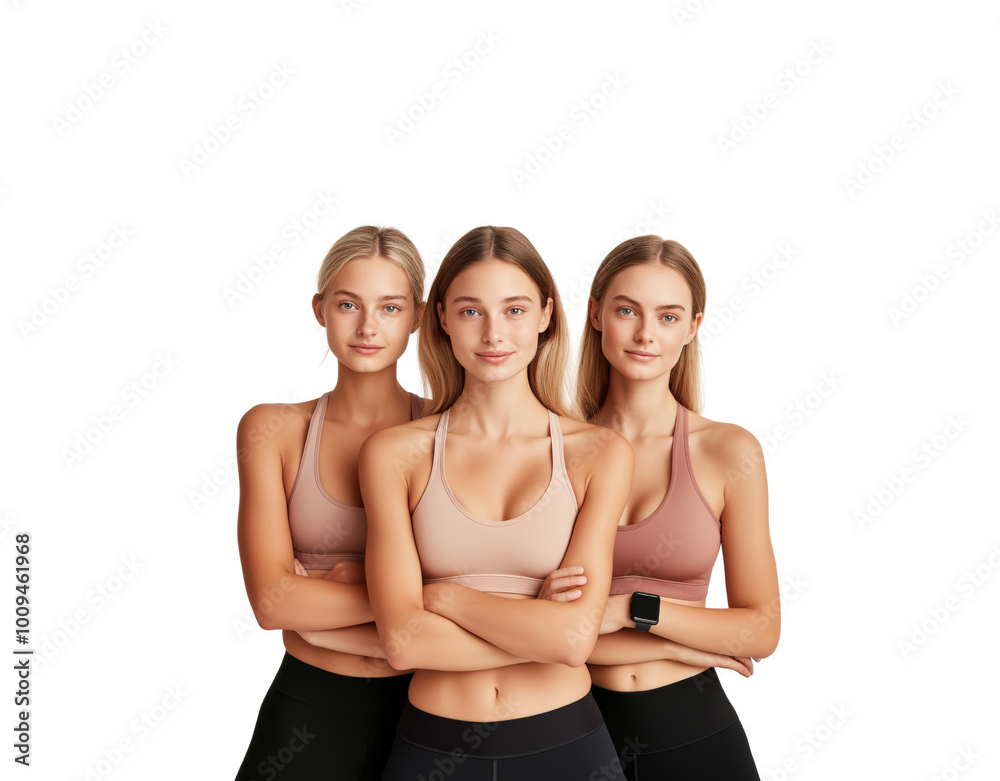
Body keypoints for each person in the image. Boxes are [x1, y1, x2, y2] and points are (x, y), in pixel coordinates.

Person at [359, 225, 633, 779]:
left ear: (545, 315)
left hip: (568, 745)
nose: (493, 334)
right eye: (470, 311)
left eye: (513, 309)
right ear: (440, 317)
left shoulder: (598, 453)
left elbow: (575, 639)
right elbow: (404, 643)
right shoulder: (394, 454)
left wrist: (447, 599)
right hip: (432, 748)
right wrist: (541, 627)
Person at [579, 236, 779, 780]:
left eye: (668, 316)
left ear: (692, 327)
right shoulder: (555, 449)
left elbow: (760, 629)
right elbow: (532, 627)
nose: (646, 334)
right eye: (627, 311)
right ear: (596, 314)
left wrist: (635, 611)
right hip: (573, 731)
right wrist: (688, 648)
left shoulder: (727, 451)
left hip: (694, 730)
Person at [234, 226, 425, 780]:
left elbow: (478, 591)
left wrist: (323, 602)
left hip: (428, 710)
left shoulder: (447, 430)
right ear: (320, 309)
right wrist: (412, 600)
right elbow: (272, 602)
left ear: (418, 315)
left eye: (390, 307)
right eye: (348, 304)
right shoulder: (272, 429)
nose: (368, 326)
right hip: (308, 709)